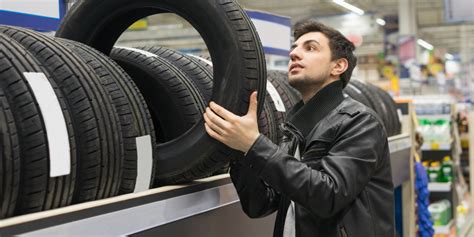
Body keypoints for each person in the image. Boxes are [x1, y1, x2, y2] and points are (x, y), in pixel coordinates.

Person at [203, 19, 394, 237]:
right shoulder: (296, 129)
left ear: (338, 66)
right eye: (294, 49)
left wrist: (254, 144)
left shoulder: (360, 122)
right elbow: (260, 205)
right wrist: (241, 150)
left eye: (310, 48)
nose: (294, 54)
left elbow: (328, 195)